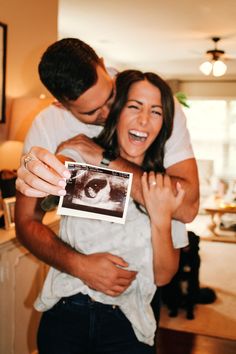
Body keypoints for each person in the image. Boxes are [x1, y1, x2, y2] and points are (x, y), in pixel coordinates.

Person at [16, 69, 187, 353]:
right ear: (117, 112)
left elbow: (163, 276)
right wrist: (38, 169)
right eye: (134, 106)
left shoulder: (165, 187)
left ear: (164, 124)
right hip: (66, 312)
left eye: (156, 112)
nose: (144, 119)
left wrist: (160, 218)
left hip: (128, 324)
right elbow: (41, 191)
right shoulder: (82, 157)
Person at [15, 38, 199, 294]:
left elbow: (187, 208)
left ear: (102, 64)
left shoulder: (153, 101)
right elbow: (26, 220)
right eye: (92, 112)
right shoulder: (50, 128)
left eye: (112, 96)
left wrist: (104, 159)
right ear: (61, 105)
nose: (109, 111)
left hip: (139, 300)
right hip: (72, 297)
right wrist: (79, 265)